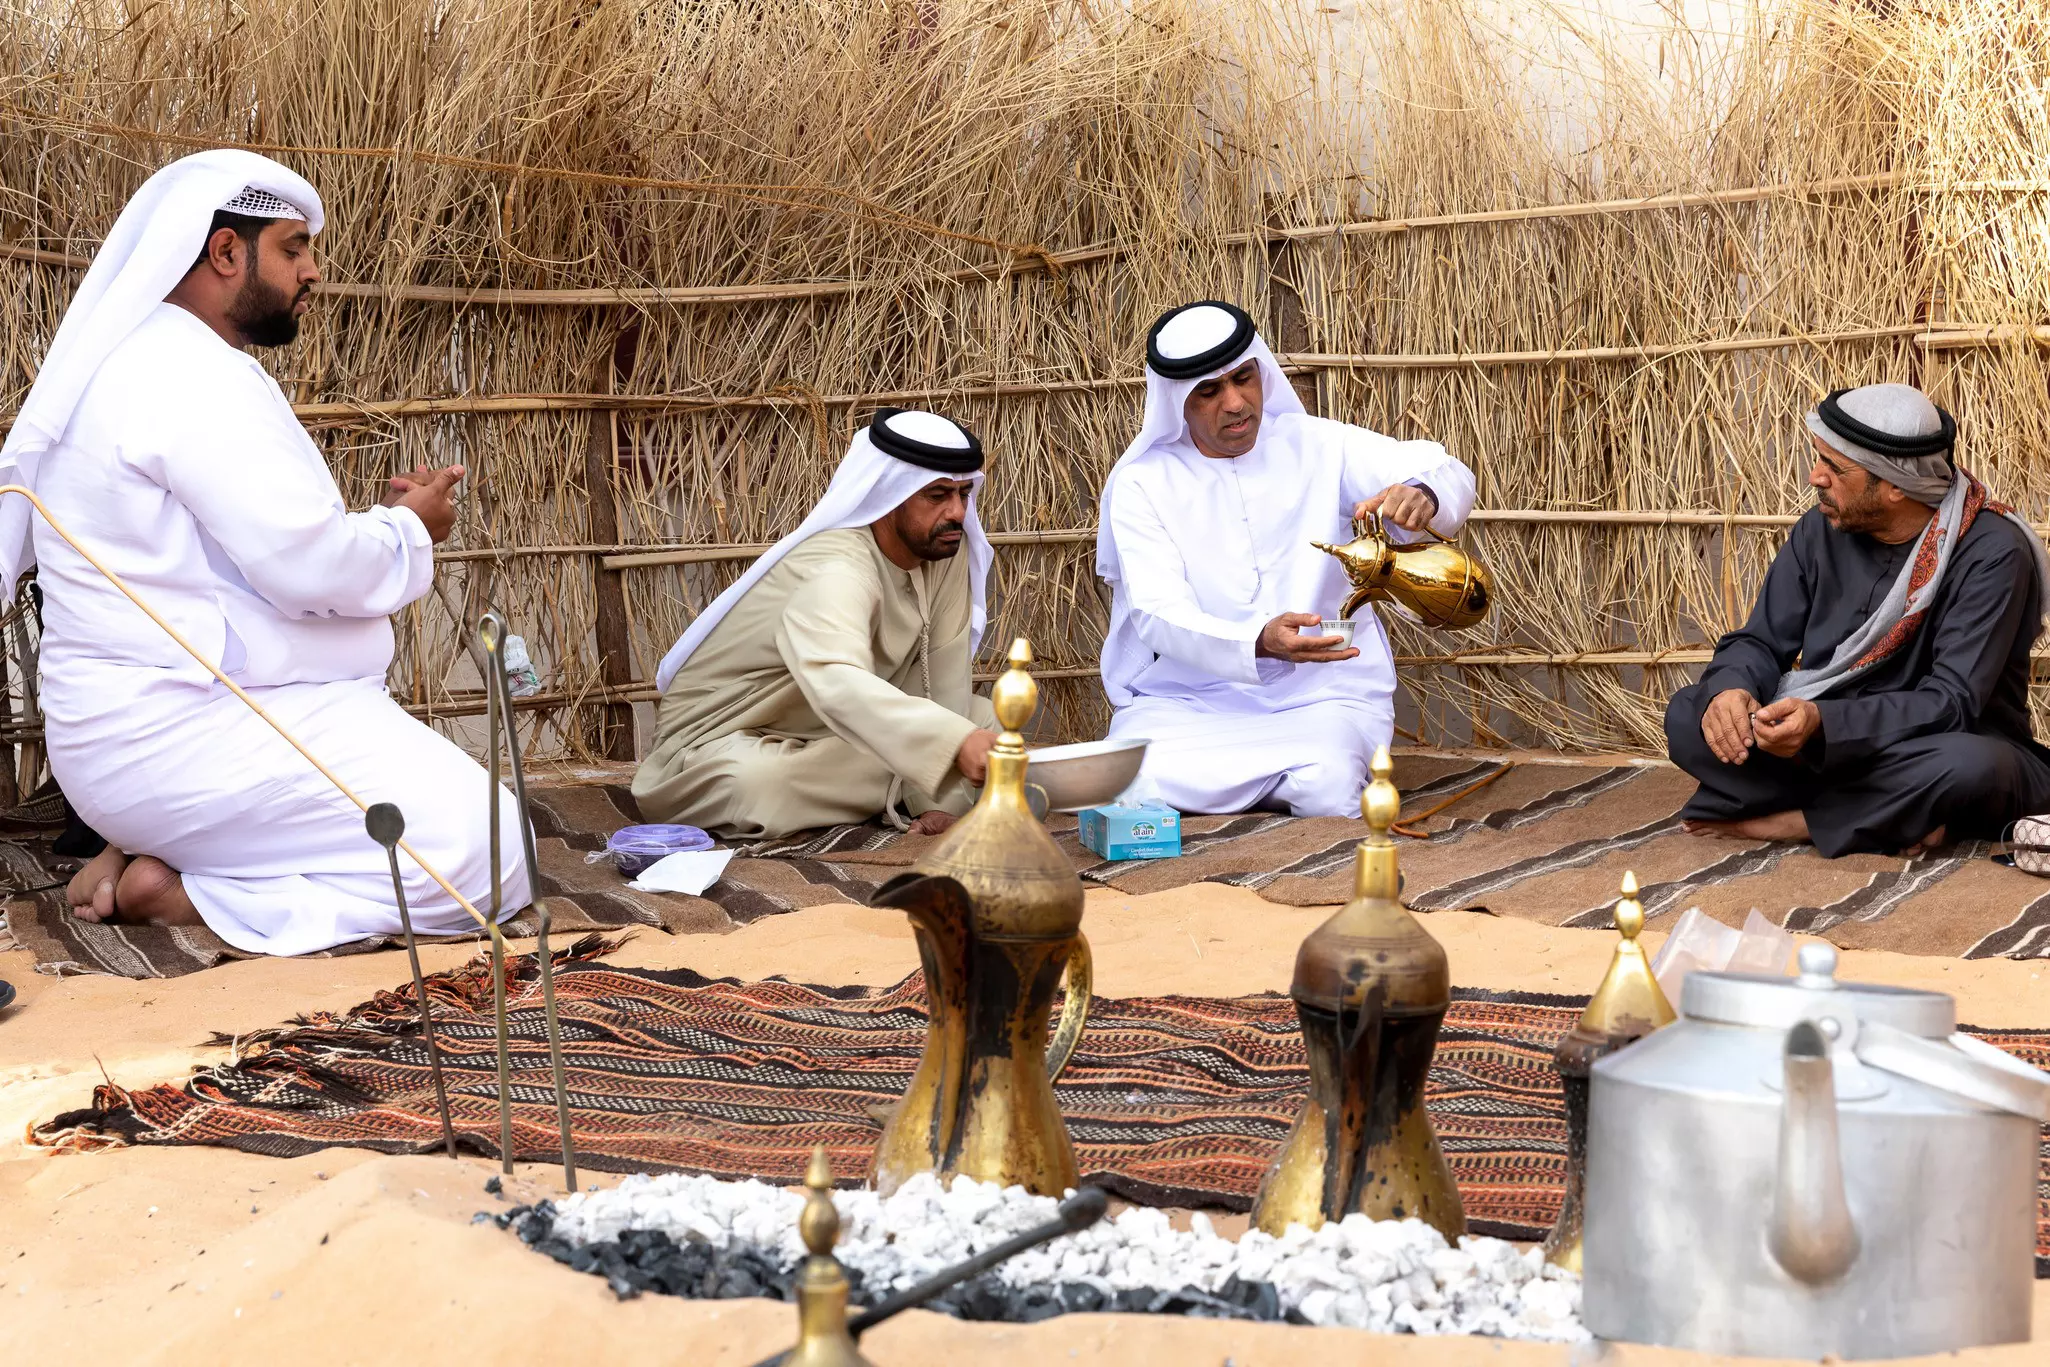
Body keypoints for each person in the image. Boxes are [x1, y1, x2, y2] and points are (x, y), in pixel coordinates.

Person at [0, 149, 528, 953]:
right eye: (293, 248)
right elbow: (307, 568)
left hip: (124, 745)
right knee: (489, 850)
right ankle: (192, 893)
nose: (312, 271)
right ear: (225, 252)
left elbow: (252, 556)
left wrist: (382, 526)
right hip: (181, 734)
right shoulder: (192, 376)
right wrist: (409, 529)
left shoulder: (127, 361)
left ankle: (159, 847)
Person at [1095, 300, 1477, 816]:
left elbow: (1447, 470)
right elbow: (1157, 613)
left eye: (1244, 379)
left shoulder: (1318, 444)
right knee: (1125, 773)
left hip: (1321, 694)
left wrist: (1423, 494)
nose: (1235, 403)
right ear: (1178, 401)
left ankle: (1239, 788)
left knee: (1328, 783)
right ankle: (1269, 785)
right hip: (1192, 701)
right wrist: (1258, 641)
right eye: (1209, 391)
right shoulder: (1143, 483)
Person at [1666, 382, 2050, 856]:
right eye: (1818, 458)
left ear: (1894, 486)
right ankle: (1893, 816)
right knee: (1687, 714)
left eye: (1834, 467)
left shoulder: (1992, 553)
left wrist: (1823, 722)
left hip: (1930, 743)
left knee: (1971, 765)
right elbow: (1760, 641)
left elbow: (1951, 703)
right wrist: (1731, 690)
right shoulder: (1819, 528)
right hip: (1825, 744)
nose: (1815, 477)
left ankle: (1801, 822)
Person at [635, 409, 998, 839]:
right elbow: (836, 679)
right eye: (937, 495)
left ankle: (905, 779)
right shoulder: (837, 567)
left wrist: (942, 802)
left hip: (837, 731)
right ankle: (900, 779)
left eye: (963, 493)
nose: (956, 511)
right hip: (724, 739)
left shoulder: (944, 552)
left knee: (986, 721)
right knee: (755, 786)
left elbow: (943, 680)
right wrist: (951, 748)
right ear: (889, 494)